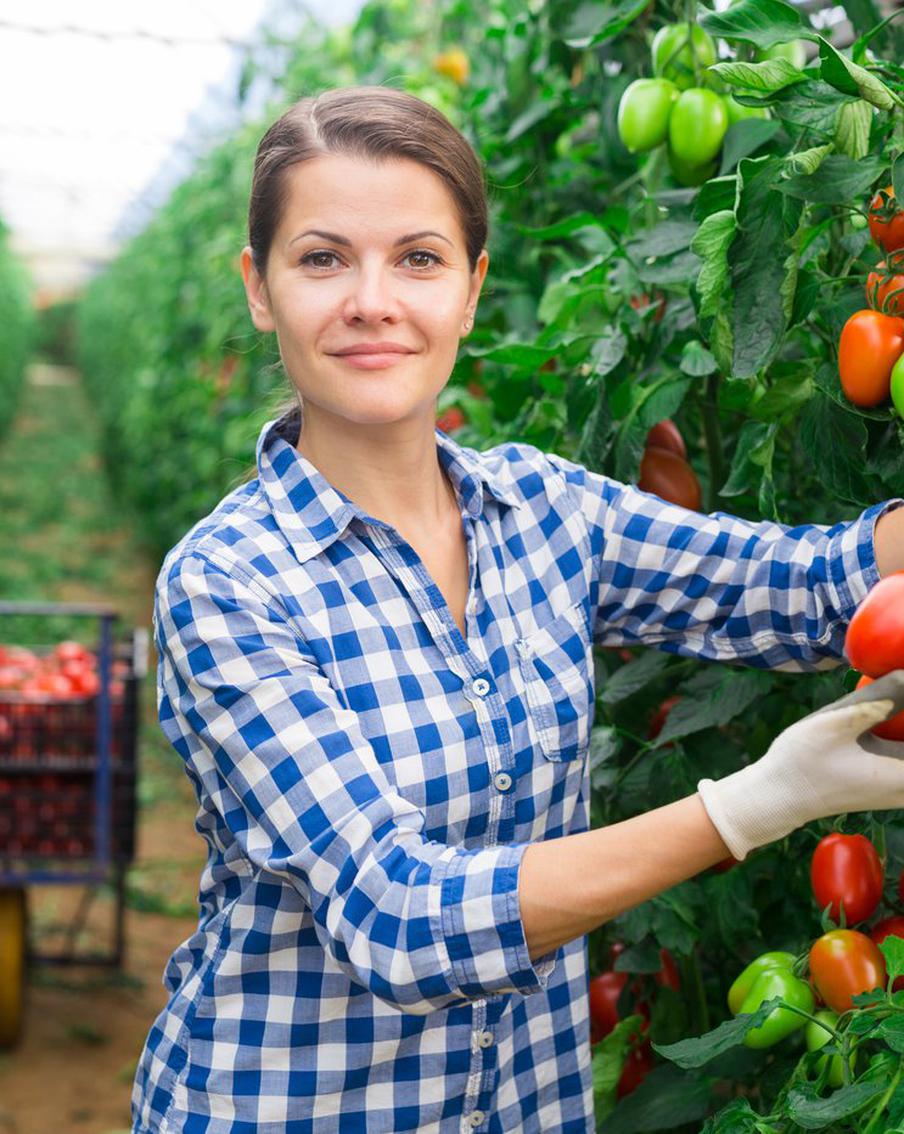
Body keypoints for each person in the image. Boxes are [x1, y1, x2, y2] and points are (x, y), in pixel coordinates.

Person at [131, 85, 904, 1134]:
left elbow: (806, 587)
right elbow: (397, 914)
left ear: (471, 287)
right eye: (321, 259)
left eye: (417, 257)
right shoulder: (228, 583)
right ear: (259, 289)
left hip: (526, 1108)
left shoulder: (542, 511)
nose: (371, 300)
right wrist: (749, 806)